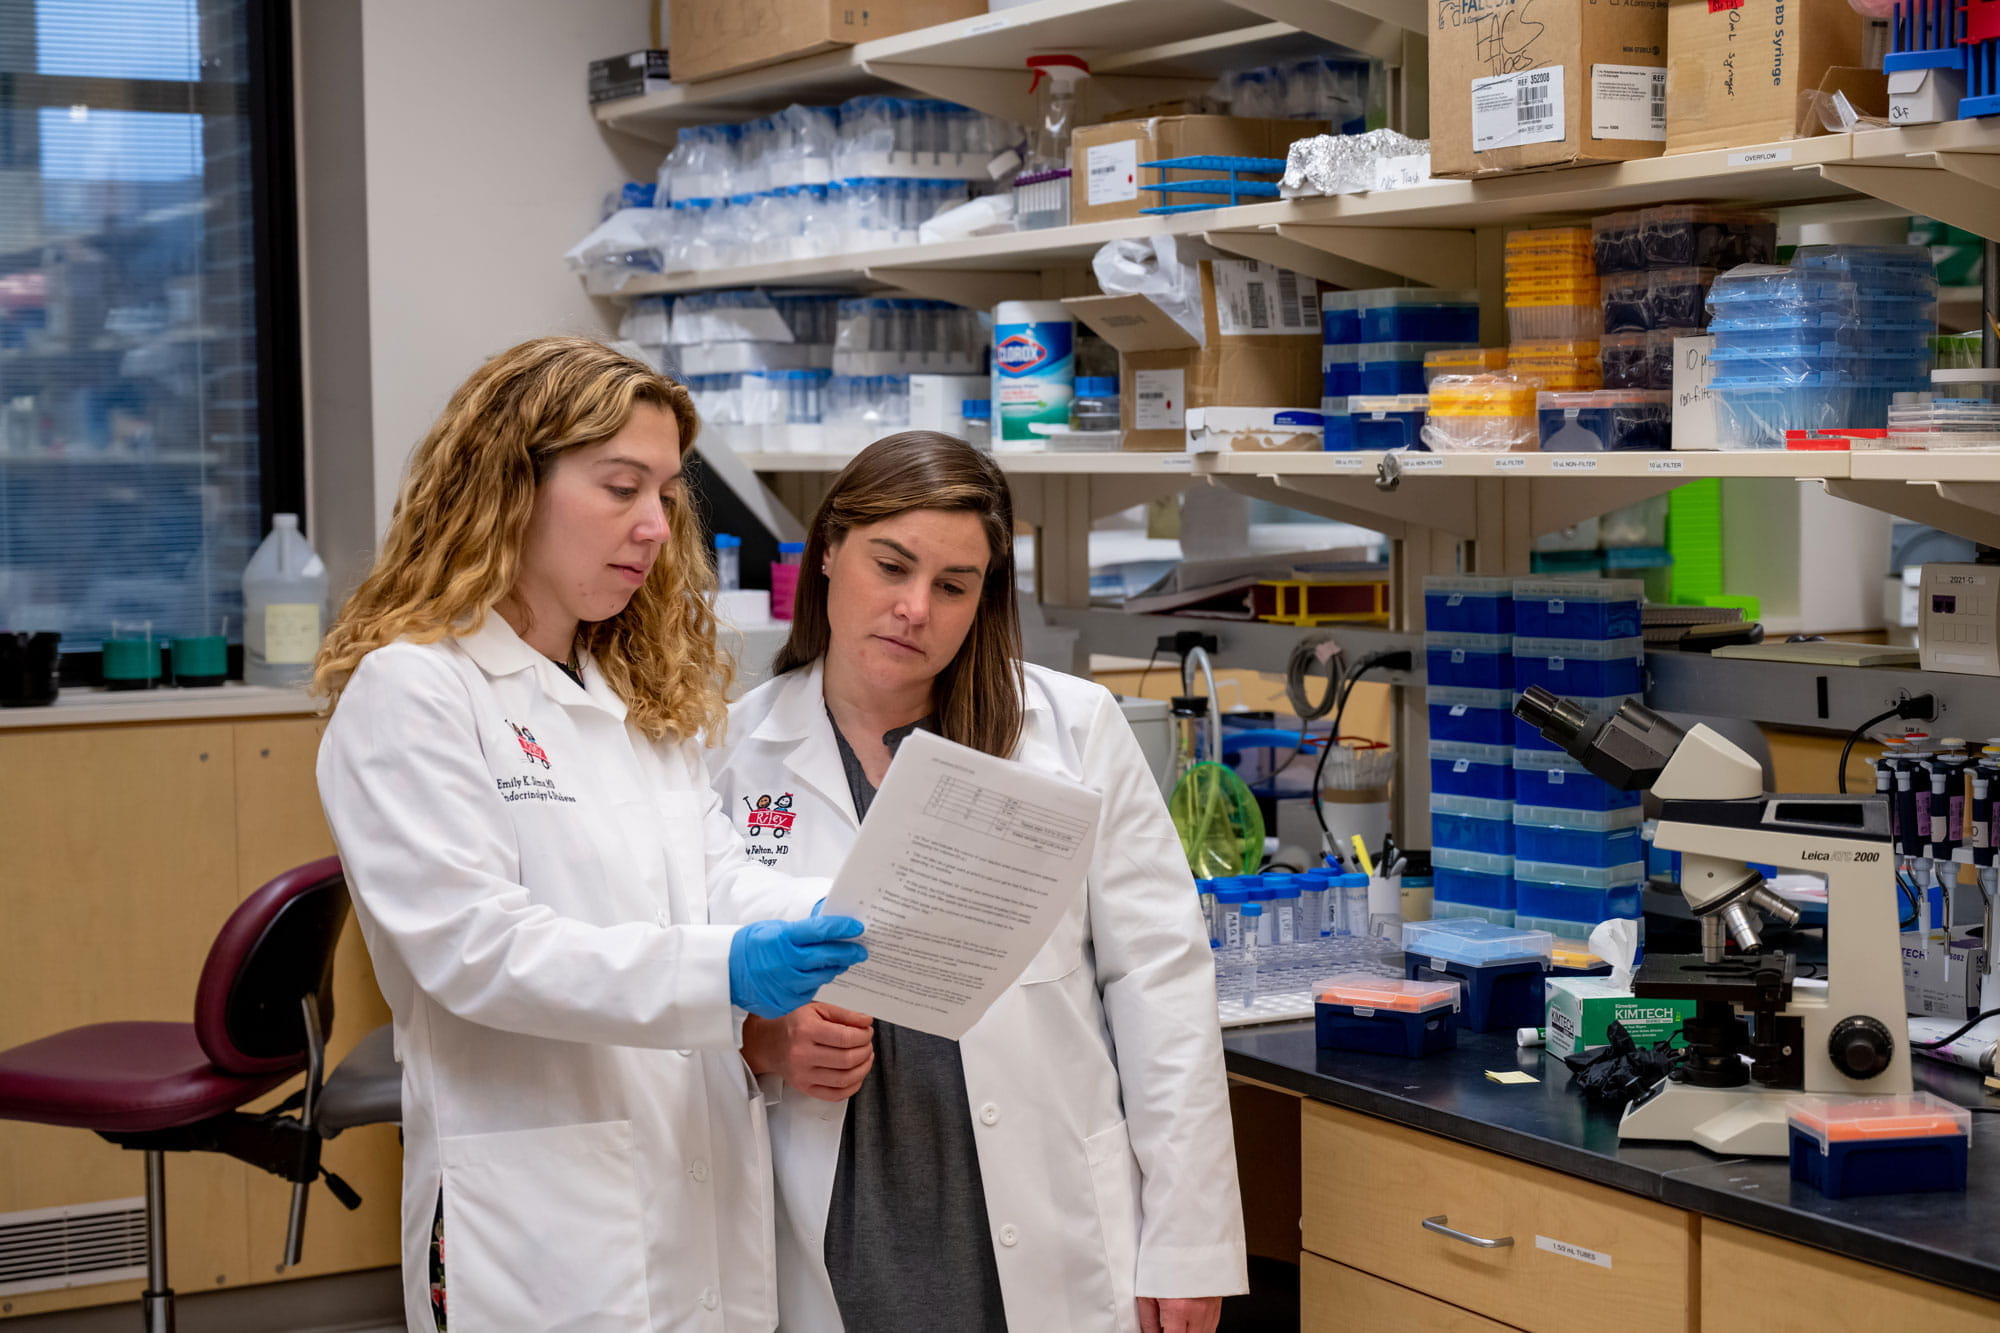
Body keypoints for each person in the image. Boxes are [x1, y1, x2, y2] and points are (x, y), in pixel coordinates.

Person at [315, 337, 866, 1332]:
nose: (654, 527)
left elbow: (717, 880)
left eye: (664, 493)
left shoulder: (628, 691)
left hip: (688, 1174)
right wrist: (725, 972)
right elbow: (477, 949)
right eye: (620, 487)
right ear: (507, 488)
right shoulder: (414, 691)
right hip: (539, 1213)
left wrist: (843, 909)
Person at [711, 431, 1245, 1333]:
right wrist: (760, 1044)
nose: (914, 608)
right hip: (834, 1210)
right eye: (892, 565)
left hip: (1040, 1211)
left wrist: (1188, 1240)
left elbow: (1160, 984)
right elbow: (665, 990)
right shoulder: (726, 752)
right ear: (830, 549)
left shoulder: (1072, 731)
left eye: (953, 586)